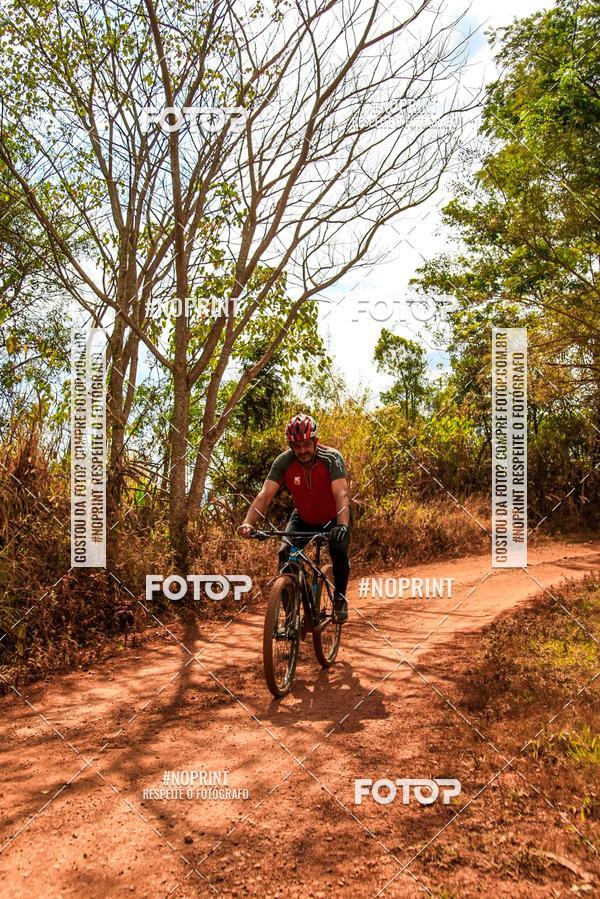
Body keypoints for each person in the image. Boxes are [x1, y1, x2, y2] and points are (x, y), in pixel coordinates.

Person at [238, 413, 351, 623]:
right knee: (285, 554)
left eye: (307, 444)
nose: (302, 451)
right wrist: (248, 522)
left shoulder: (332, 458)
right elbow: (265, 494)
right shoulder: (284, 461)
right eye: (296, 446)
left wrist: (342, 525)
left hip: (333, 518)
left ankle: (340, 599)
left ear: (316, 441)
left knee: (338, 550)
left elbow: (341, 494)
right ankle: (292, 616)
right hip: (303, 517)